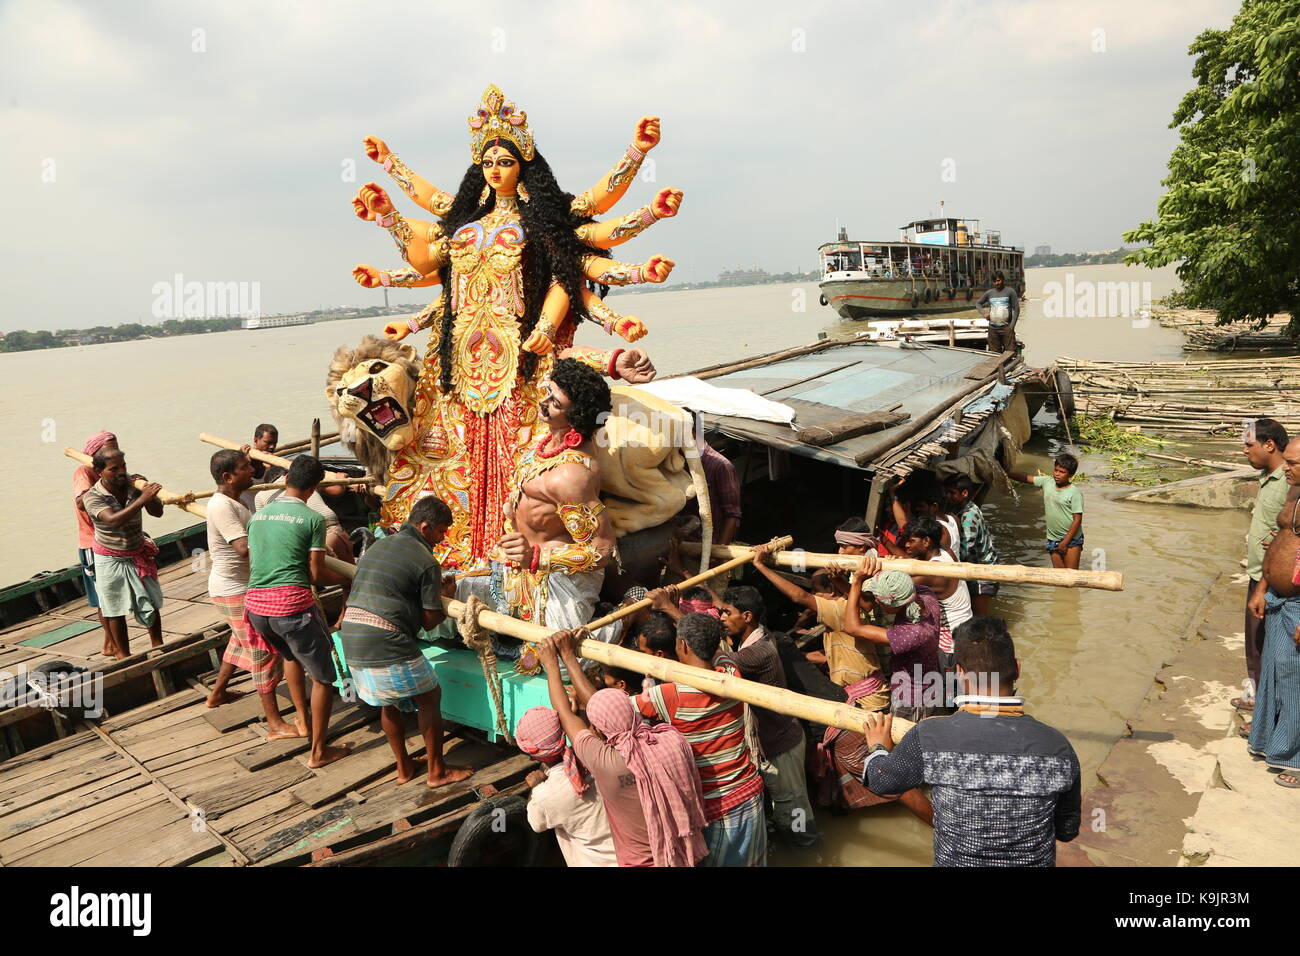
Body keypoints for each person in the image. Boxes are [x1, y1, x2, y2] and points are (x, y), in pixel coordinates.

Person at [862, 617, 1081, 866]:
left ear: (959, 674)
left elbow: (880, 780)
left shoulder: (930, 735)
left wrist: (879, 747)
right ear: (1017, 669)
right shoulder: (1057, 746)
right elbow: (1067, 830)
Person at [462, 359, 618, 648]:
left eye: (555, 402)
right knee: (449, 601)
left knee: (560, 657)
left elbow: (602, 550)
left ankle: (619, 621)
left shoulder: (571, 476)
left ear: (576, 418)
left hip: (557, 580)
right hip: (512, 567)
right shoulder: (544, 441)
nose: (543, 402)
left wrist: (536, 558)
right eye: (548, 391)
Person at [539, 631, 708, 867]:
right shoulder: (670, 738)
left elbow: (565, 713)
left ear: (600, 725)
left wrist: (553, 662)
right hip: (685, 854)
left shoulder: (605, 760)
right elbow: (603, 708)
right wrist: (568, 655)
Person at [338, 495, 473, 787]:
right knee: (429, 697)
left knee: (389, 704)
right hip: (385, 636)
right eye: (440, 531)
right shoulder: (426, 561)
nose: (442, 538)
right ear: (425, 527)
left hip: (351, 632)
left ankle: (404, 768)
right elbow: (429, 621)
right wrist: (443, 592)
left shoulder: (379, 545)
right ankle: (437, 772)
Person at [627, 613, 767, 866]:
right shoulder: (732, 675)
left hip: (717, 803)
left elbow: (613, 709)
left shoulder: (669, 695)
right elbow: (715, 649)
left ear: (683, 646)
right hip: (750, 790)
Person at [245, 455, 350, 769]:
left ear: (286, 479)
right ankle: (318, 752)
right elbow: (316, 574)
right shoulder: (312, 519)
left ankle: (303, 724)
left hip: (256, 609)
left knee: (290, 657)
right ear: (315, 487)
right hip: (291, 607)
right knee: (324, 679)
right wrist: (348, 577)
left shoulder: (257, 516)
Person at [202, 450, 299, 739]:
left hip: (243, 586)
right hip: (234, 589)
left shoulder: (238, 498)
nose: (252, 471)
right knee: (264, 651)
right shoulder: (221, 506)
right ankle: (275, 724)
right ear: (227, 477)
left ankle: (216, 694)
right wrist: (288, 551)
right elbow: (244, 549)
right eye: (245, 468)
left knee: (238, 639)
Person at [717, 585, 818, 849]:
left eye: (727, 613)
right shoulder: (760, 636)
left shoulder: (756, 653)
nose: (722, 618)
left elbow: (712, 655)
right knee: (789, 802)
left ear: (747, 616)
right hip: (781, 737)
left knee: (795, 808)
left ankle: (807, 850)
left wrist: (673, 611)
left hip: (781, 745)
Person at [749, 542, 887, 706]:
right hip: (871, 694)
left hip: (866, 702)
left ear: (832, 590)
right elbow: (831, 653)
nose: (814, 594)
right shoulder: (853, 604)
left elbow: (800, 596)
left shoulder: (840, 610)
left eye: (816, 590)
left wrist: (761, 566)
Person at [1245, 437, 1300, 787]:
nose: (1288, 467)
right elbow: (1280, 538)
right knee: (1276, 674)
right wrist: (1264, 586)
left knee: (1295, 681)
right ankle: (1270, 742)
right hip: (1278, 596)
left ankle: (1294, 758)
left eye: (1293, 462)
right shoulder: (1294, 490)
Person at [81, 448, 165, 659]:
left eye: (123, 467)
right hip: (109, 557)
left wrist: (149, 495)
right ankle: (123, 655)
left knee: (151, 601)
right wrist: (143, 498)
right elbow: (113, 520)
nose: (121, 472)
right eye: (114, 469)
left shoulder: (133, 486)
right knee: (114, 608)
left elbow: (157, 512)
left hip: (136, 550)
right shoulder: (92, 497)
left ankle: (158, 645)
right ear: (99, 471)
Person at [845, 556, 946, 720]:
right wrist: (893, 568)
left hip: (912, 698)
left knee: (905, 739)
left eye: (878, 600)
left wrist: (856, 581)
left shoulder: (911, 634)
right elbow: (904, 582)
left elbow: (852, 627)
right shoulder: (927, 596)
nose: (876, 602)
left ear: (893, 605)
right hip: (929, 684)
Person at [516, 706, 616, 867]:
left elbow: (536, 823)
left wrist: (536, 786)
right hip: (632, 854)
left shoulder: (546, 794)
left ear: (532, 753)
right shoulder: (596, 756)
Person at [1236, 418, 1289, 711]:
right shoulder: (1267, 477)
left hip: (1273, 577)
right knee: (1255, 642)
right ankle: (1257, 694)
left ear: (1269, 445)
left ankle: (1267, 704)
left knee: (1267, 644)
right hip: (1258, 572)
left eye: (1249, 444)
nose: (1245, 451)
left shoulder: (1288, 481)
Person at [900, 516, 972, 700]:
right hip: (967, 631)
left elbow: (898, 585)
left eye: (911, 541)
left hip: (950, 643)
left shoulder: (931, 573)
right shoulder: (946, 551)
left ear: (926, 541)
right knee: (962, 690)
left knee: (951, 695)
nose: (906, 546)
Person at [73, 431, 118, 655]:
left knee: (113, 593)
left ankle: (110, 643)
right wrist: (104, 482)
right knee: (103, 597)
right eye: (109, 450)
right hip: (93, 542)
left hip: (113, 540)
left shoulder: (114, 470)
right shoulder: (84, 471)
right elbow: (82, 502)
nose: (113, 453)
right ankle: (113, 643)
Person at [1010, 454, 1084, 570]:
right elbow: (1026, 478)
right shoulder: (1047, 482)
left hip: (1071, 540)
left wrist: (1065, 542)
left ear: (1071, 475)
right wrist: (1006, 473)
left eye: (1062, 472)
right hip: (1053, 538)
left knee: (1072, 576)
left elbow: (1077, 519)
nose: (1057, 474)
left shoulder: (1074, 493)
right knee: (1058, 576)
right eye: (1056, 470)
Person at [943, 474, 1000, 615]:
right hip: (979, 567)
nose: (948, 496)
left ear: (964, 493)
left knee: (978, 619)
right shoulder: (967, 508)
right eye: (947, 492)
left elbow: (966, 550)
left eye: (952, 493)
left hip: (982, 572)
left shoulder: (968, 517)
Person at [687, 409, 741, 545]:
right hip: (685, 547)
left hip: (711, 547)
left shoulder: (720, 466)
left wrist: (718, 554)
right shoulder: (678, 463)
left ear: (692, 433)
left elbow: (732, 516)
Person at [976, 270, 1019, 353]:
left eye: (998, 280)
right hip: (993, 329)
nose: (997, 283)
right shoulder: (989, 293)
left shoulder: (1010, 292)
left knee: (1009, 353)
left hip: (1007, 328)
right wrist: (983, 313)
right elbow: (978, 303)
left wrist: (1012, 326)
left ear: (1003, 279)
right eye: (994, 281)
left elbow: (1016, 309)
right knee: (995, 354)